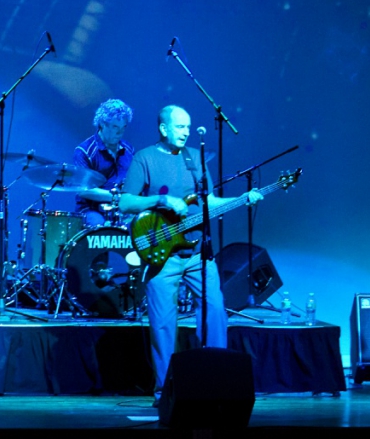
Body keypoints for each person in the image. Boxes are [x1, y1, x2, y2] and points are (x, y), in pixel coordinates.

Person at [120, 105, 262, 402]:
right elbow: (126, 203)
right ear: (163, 129)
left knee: (215, 312)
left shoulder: (194, 159)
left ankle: (216, 380)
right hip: (164, 256)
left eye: (188, 127)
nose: (185, 132)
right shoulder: (145, 158)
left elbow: (210, 200)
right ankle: (166, 389)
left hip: (198, 253)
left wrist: (242, 199)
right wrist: (163, 200)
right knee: (162, 324)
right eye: (180, 127)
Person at [73, 99, 135, 228]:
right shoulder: (84, 151)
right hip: (91, 209)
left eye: (123, 127)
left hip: (120, 210)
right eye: (115, 127)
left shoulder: (128, 150)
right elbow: (83, 191)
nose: (120, 133)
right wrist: (115, 197)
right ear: (102, 124)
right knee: (101, 231)